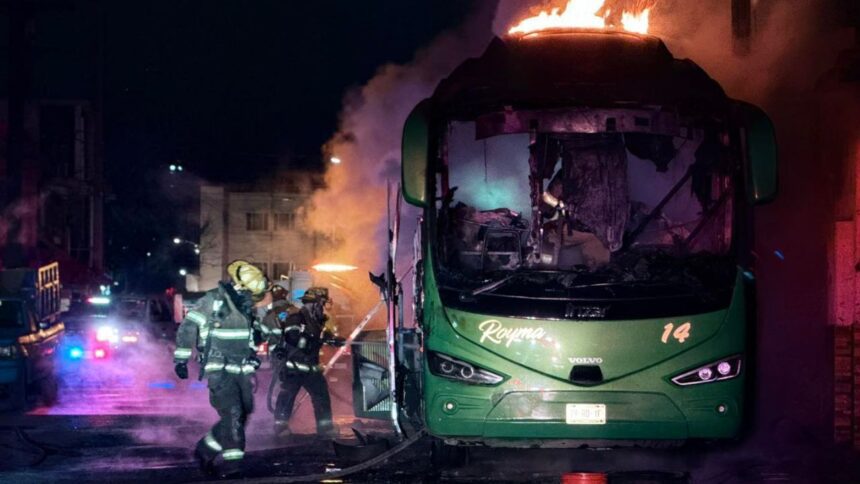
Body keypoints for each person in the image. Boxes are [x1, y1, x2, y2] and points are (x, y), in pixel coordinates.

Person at [173, 260, 269, 477]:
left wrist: (254, 349)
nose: (254, 300)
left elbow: (250, 337)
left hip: (241, 370)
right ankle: (233, 466)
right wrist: (181, 358)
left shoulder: (245, 307)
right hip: (219, 368)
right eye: (252, 294)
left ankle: (204, 450)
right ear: (241, 287)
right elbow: (189, 326)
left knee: (242, 414)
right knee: (233, 414)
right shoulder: (213, 300)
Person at [272, 286, 344, 438]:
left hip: (311, 367)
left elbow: (322, 336)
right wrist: (310, 341)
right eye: (322, 304)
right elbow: (292, 337)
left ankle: (325, 429)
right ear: (316, 303)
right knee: (288, 396)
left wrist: (332, 340)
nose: (323, 307)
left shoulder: (316, 321)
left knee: (321, 397)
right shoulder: (297, 317)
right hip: (293, 367)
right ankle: (280, 429)